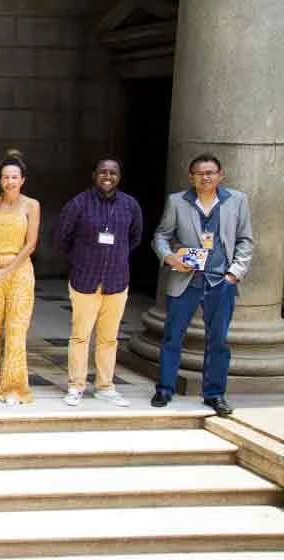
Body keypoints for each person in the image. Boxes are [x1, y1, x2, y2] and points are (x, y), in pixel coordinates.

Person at [151, 153, 252, 417]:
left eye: (210, 173)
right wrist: (169, 257)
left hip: (221, 281)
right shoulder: (177, 201)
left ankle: (215, 394)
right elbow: (161, 235)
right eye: (200, 173)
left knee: (217, 341)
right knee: (173, 336)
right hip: (186, 279)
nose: (205, 177)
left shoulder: (237, 200)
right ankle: (165, 388)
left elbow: (245, 240)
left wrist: (234, 273)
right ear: (191, 177)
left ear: (220, 175)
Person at [54, 157, 143, 408]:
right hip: (85, 279)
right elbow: (62, 237)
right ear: (94, 175)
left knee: (109, 338)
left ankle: (105, 386)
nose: (107, 176)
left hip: (117, 280)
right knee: (80, 336)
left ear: (119, 176)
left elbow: (135, 237)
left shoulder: (130, 205)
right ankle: (76, 385)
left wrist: (115, 258)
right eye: (102, 172)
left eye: (113, 173)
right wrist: (81, 259)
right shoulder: (79, 203)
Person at [0, 150, 41, 405]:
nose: (10, 182)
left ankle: (13, 387)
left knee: (15, 330)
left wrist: (8, 269)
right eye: (5, 177)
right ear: (0, 180)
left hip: (19, 272)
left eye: (14, 177)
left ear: (22, 179)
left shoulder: (31, 205)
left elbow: (31, 244)